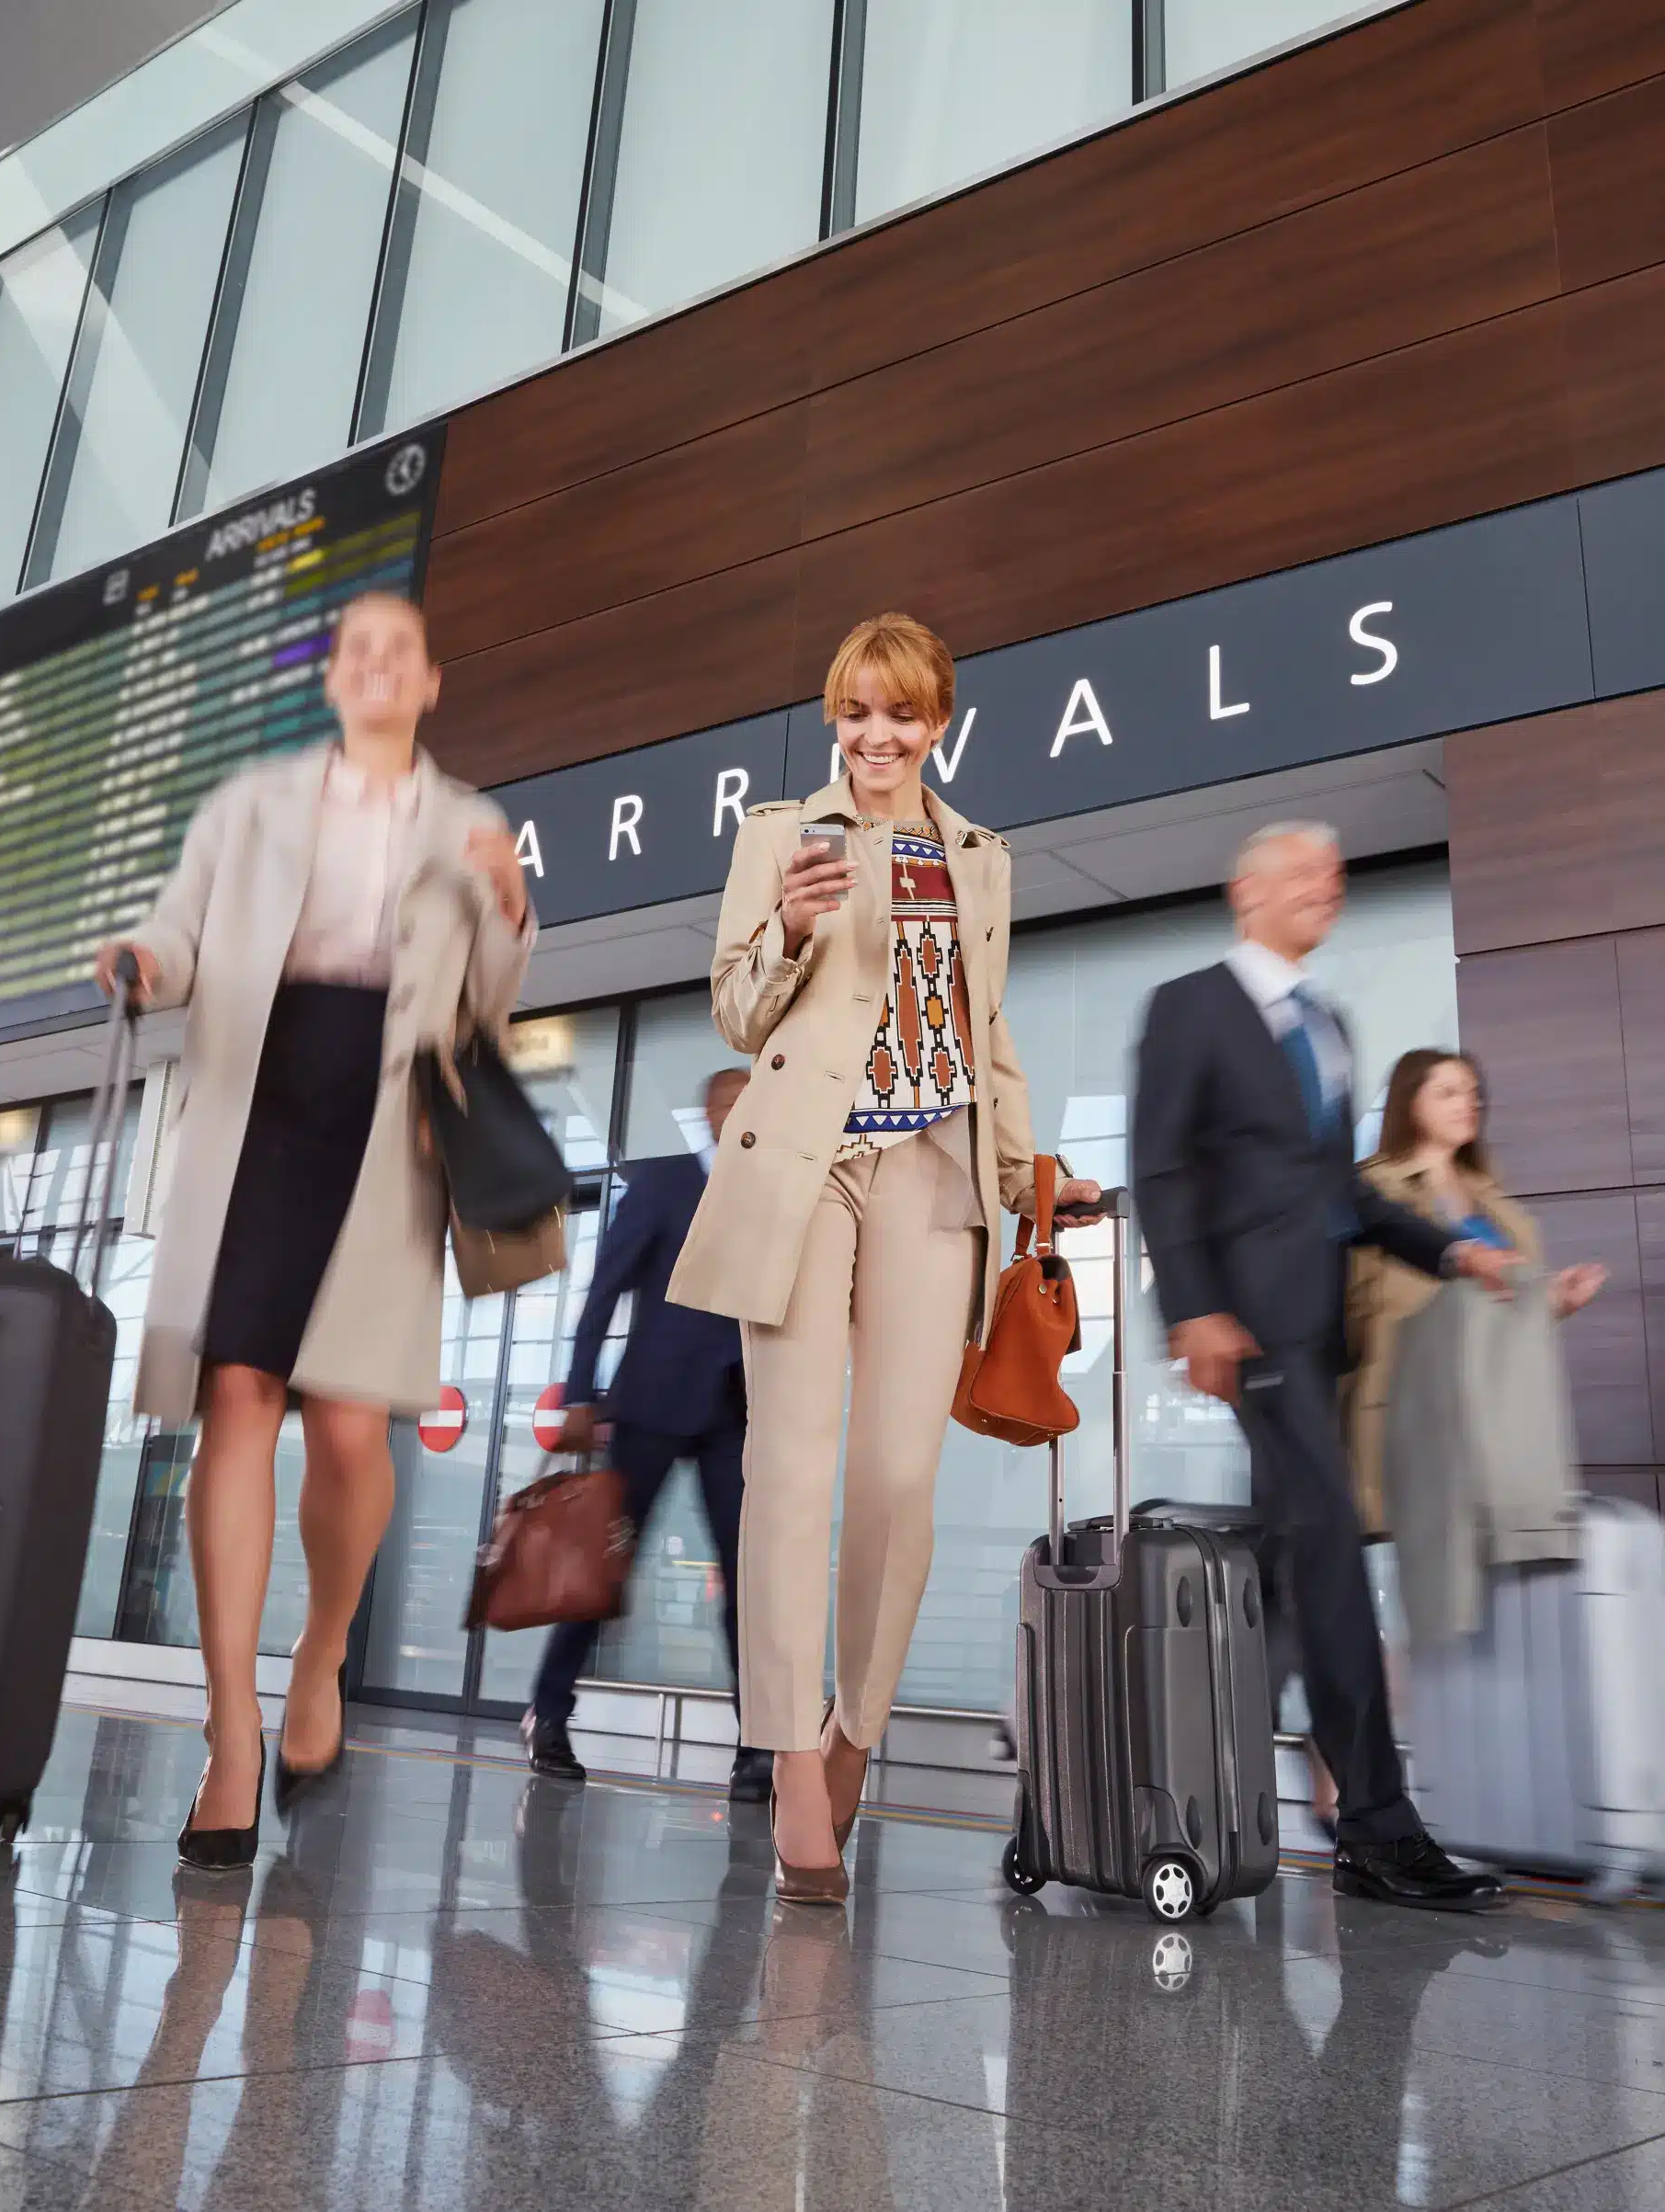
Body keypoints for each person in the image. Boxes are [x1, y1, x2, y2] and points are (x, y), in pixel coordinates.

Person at [667, 610, 1102, 1904]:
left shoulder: (981, 854)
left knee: (900, 1476)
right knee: (789, 1469)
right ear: (831, 717)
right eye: (855, 712)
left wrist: (1033, 1175)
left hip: (934, 1169)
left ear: (937, 724)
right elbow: (737, 1010)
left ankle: (859, 1719)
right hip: (805, 1169)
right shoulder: (774, 839)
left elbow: (989, 1028)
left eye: (900, 714)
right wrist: (792, 930)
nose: (875, 735)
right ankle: (793, 1751)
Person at [96, 589, 533, 1872]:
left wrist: (509, 912)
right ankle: (231, 1735)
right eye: (357, 650)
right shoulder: (252, 805)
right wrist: (144, 958)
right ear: (336, 679)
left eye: (400, 648)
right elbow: (179, 931)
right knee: (239, 1392)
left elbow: (493, 1007)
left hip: (388, 1116)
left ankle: (323, 1648)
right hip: (259, 1098)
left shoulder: (469, 821)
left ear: (433, 681)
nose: (378, 665)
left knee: (349, 1423)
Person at [1132, 821, 1520, 1912]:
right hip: (1248, 1336)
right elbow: (1160, 1169)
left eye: (1337, 873)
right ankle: (1379, 1828)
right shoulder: (1190, 1005)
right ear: (1243, 890)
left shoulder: (1329, 1025)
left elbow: (1338, 1193)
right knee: (1336, 1558)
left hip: (1318, 1337)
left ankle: (1157, 1772)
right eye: (1303, 871)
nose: (1327, 887)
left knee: (1290, 1576)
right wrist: (1192, 1308)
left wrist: (1447, 1247)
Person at [524, 1067, 772, 1804]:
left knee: (748, 1584)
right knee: (603, 1574)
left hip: (736, 1413)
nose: (741, 1115)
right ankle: (550, 1714)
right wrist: (578, 1393)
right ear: (708, 1112)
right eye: (730, 1103)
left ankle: (757, 1745)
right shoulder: (662, 1184)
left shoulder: (772, 1197)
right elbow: (603, 1291)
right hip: (650, 1407)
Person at [1346, 1048, 1606, 1535]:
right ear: (1408, 1103)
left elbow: (1504, 1308)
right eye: (1447, 1092)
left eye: (1472, 1093)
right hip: (1412, 1417)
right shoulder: (1371, 1194)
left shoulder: (1497, 1204)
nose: (1467, 1103)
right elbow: (1351, 1311)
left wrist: (1553, 1301)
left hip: (1499, 1418)